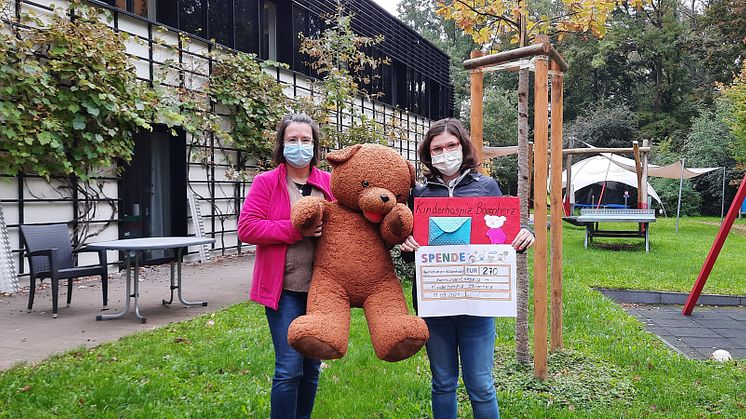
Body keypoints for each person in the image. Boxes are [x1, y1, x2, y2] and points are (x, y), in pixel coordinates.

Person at [400, 118, 535, 419]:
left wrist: (527, 235)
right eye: (438, 148)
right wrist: (405, 243)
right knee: (443, 382)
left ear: (463, 147)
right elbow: (408, 247)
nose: (445, 152)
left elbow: (508, 231)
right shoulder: (418, 194)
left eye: (451, 145)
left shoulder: (486, 186)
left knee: (481, 384)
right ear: (428, 153)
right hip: (434, 303)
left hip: (478, 302)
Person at [237, 113, 334, 419]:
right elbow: (248, 228)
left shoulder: (329, 183)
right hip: (285, 291)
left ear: (315, 145)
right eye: (292, 139)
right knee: (289, 369)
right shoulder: (267, 182)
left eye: (306, 140)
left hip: (321, 291)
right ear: (282, 144)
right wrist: (295, 231)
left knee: (311, 368)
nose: (299, 145)